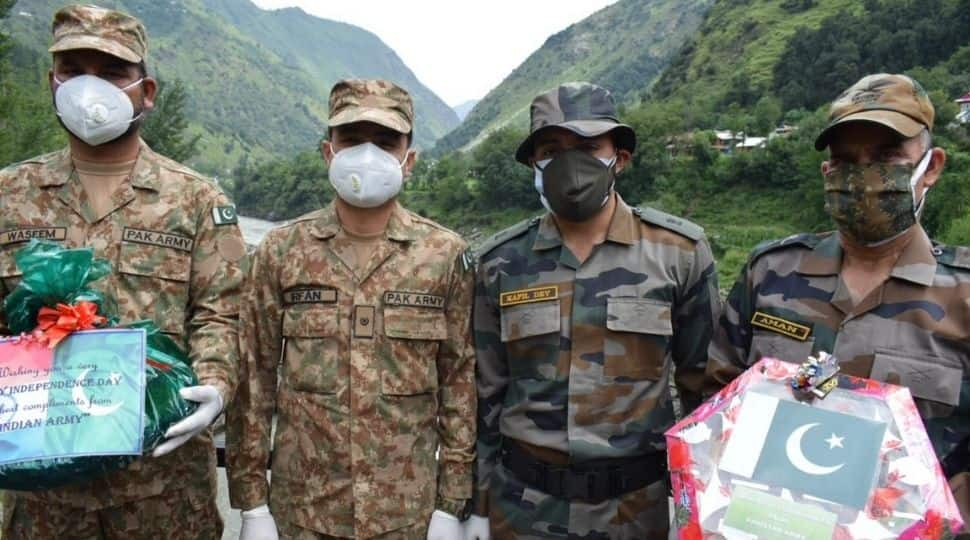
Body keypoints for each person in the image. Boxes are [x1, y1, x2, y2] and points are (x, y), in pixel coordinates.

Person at [0, 4, 245, 538]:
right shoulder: (8, 196)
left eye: (112, 73)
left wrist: (217, 386)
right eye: (74, 70)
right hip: (43, 495)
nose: (91, 88)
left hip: (163, 488)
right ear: (52, 82)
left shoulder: (196, 200)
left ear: (146, 90)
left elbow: (221, 314)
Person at [707, 73, 970, 527]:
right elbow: (716, 401)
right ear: (827, 171)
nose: (865, 176)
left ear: (931, 166)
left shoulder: (963, 295)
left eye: (888, 157)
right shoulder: (770, 273)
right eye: (846, 160)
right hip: (767, 526)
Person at [467, 81, 721, 539]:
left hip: (636, 511)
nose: (569, 161)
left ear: (619, 157)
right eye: (552, 148)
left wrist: (705, 503)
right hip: (524, 510)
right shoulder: (500, 263)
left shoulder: (679, 253)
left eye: (586, 146)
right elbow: (487, 394)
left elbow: (704, 388)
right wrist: (475, 506)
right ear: (534, 164)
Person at [226, 79, 476, 540]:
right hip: (302, 511)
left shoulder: (445, 256)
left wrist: (452, 502)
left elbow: (459, 380)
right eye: (352, 140)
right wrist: (252, 503)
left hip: (407, 513)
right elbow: (253, 377)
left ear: (410, 159)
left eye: (385, 142)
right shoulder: (281, 251)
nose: (368, 154)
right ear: (328, 152)